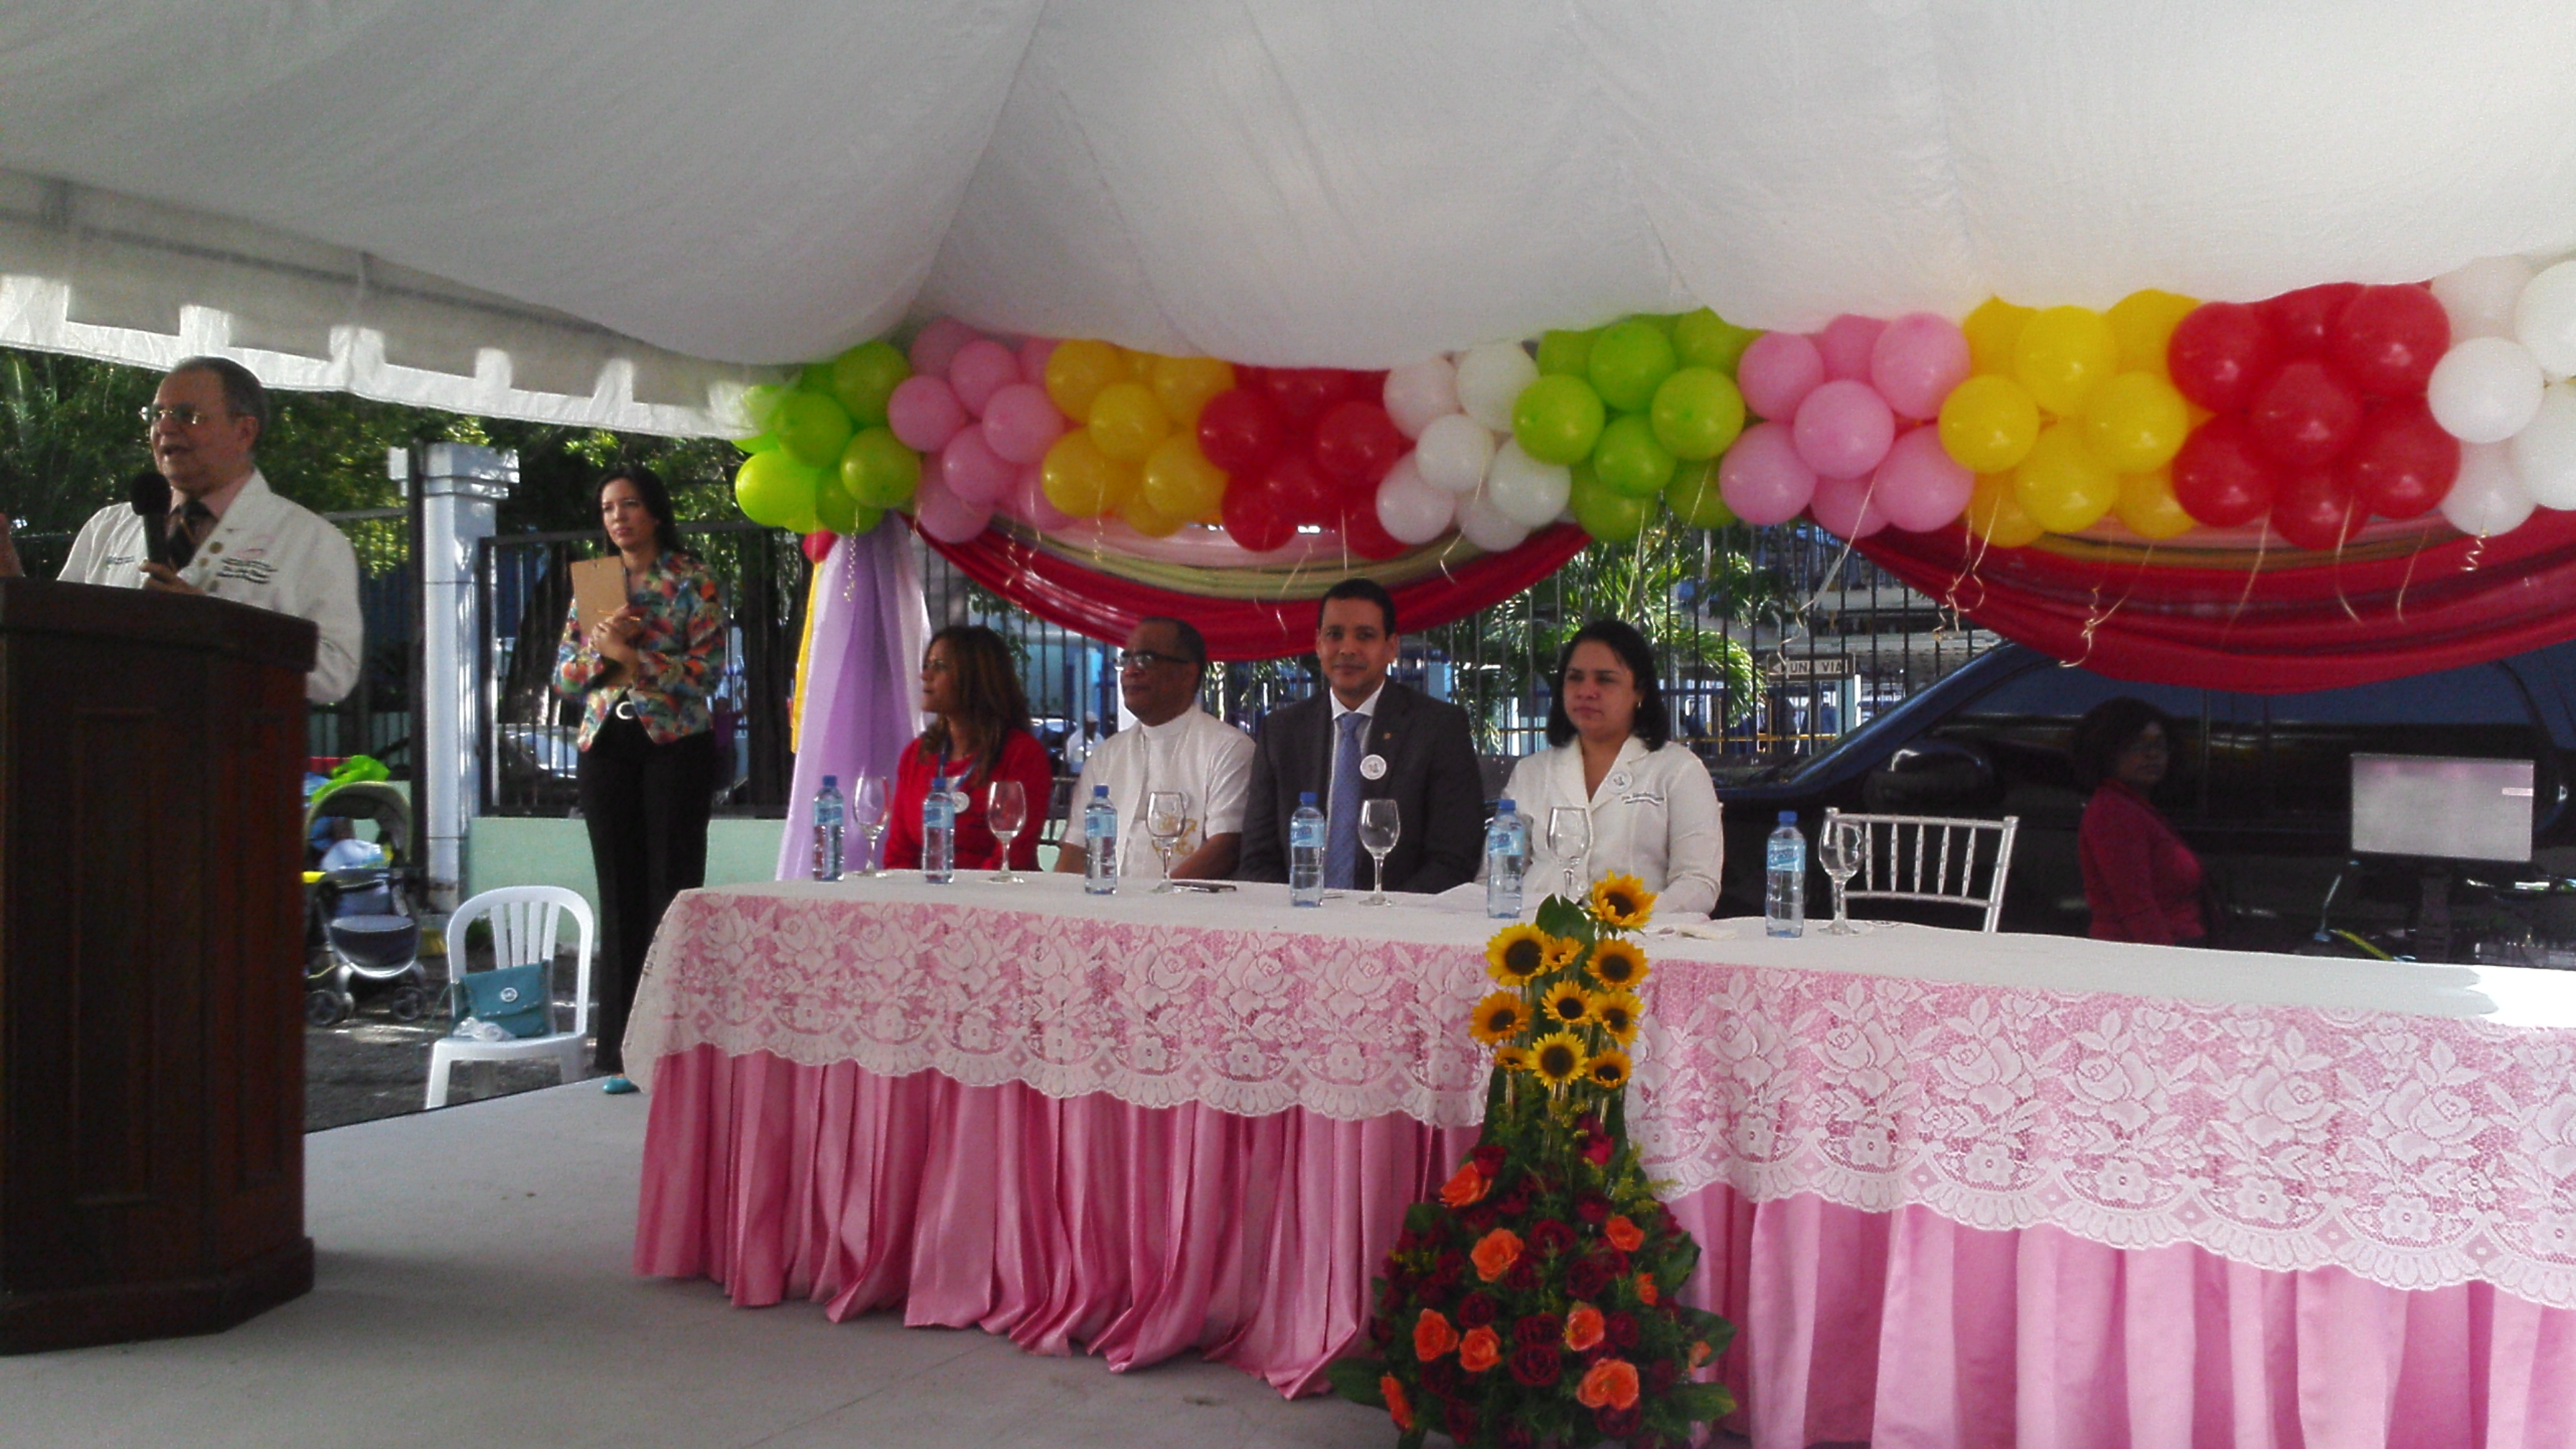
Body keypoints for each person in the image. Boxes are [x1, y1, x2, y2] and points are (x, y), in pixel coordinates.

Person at [0, 357, 363, 702]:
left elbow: (337, 673)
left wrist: (208, 624)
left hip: (233, 740)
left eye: (187, 416)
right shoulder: (107, 529)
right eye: (157, 415)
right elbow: (52, 643)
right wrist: (12, 587)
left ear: (244, 432)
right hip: (106, 736)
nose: (165, 428)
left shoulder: (312, 540)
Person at [552, 464, 726, 1092]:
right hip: (607, 744)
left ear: (654, 511)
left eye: (628, 505)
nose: (618, 518)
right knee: (619, 892)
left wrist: (636, 658)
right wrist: (600, 651)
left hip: (674, 745)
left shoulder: (693, 579)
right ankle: (620, 1052)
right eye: (607, 509)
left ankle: (674, 1047)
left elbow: (707, 672)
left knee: (671, 890)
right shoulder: (596, 583)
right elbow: (565, 679)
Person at [1236, 578, 1482, 894]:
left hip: (1401, 915)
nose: (1348, 649)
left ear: (1391, 647)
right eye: (1334, 635)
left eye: (1365, 636)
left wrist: (1381, 914)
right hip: (1297, 914)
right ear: (1318, 644)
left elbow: (1453, 859)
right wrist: (1298, 911)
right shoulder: (1282, 731)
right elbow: (1257, 858)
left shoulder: (1437, 727)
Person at [1506, 620, 1724, 916]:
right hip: (1536, 932)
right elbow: (1498, 877)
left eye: (1605, 680)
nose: (1587, 691)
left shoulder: (1679, 770)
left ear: (1640, 691)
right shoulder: (1530, 773)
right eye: (1575, 678)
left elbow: (1698, 883)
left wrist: (1627, 920)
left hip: (1641, 936)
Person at [1056, 617, 1255, 881]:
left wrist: (1157, 899)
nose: (1130, 671)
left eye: (1145, 660)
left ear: (1188, 673)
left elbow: (1226, 847)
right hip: (1108, 902)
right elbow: (1076, 848)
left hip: (1187, 903)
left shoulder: (1228, 749)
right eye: (1126, 659)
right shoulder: (1107, 755)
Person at [883, 624, 1054, 873]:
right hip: (922, 893)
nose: (925, 675)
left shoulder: (1022, 754)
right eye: (927, 665)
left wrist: (954, 894)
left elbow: (1011, 857)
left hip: (996, 894)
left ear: (977, 677)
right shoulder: (917, 754)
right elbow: (899, 855)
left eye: (940, 666)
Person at [2073, 696, 2207, 946]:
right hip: (2146, 951)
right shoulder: (2114, 811)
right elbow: (2136, 906)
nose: (2151, 755)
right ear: (2107, 752)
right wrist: (2165, 962)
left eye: (2159, 745)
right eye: (2136, 745)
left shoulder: (2136, 806)